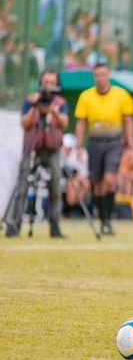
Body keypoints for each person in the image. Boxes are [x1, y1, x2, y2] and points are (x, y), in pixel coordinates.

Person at [5, 70, 68, 238]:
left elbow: (64, 123)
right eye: (46, 82)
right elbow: (24, 124)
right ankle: (14, 225)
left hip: (52, 148)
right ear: (41, 83)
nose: (48, 86)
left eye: (52, 82)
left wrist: (52, 111)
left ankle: (55, 227)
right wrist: (35, 106)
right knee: (22, 186)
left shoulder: (60, 102)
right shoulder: (31, 100)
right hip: (32, 147)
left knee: (55, 185)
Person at [75, 63, 133, 235]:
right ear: (94, 77)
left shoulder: (121, 95)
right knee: (98, 184)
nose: (100, 78)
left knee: (110, 180)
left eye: (103, 74)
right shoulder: (86, 96)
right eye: (97, 75)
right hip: (94, 141)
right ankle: (103, 220)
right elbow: (81, 123)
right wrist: (79, 145)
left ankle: (108, 219)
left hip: (113, 142)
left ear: (108, 75)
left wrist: (131, 143)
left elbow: (128, 120)